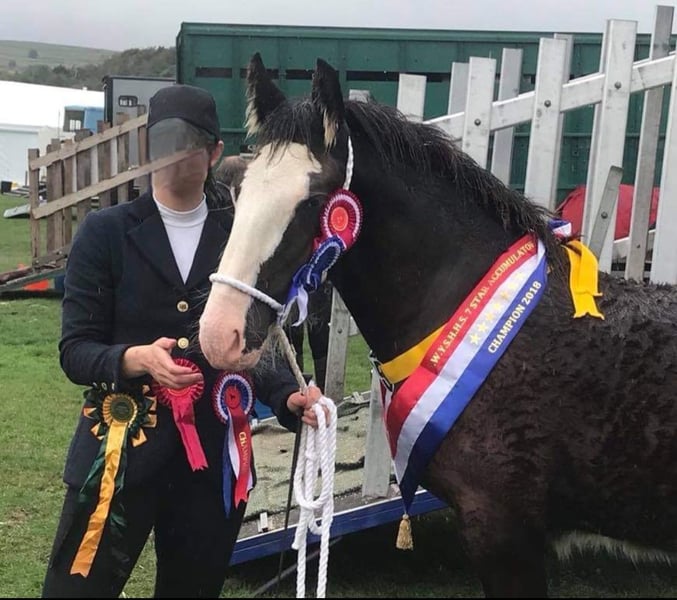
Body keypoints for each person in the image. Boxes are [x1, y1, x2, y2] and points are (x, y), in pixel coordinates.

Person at [42, 84, 323, 599]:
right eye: (162, 141)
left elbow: (254, 343)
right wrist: (135, 359)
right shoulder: (104, 232)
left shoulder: (237, 236)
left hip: (211, 467)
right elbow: (75, 350)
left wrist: (288, 396)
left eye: (186, 142)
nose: (172, 154)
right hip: (119, 457)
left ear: (214, 152)